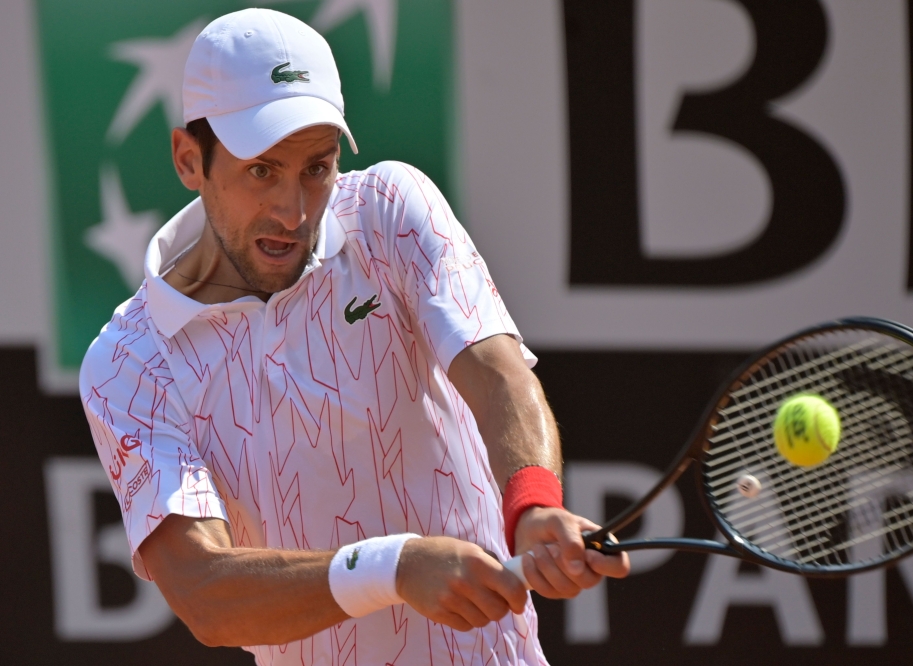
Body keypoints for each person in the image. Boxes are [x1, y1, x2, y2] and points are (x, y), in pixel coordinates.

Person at [79, 8, 628, 666]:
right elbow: (204, 591)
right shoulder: (129, 364)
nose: (295, 210)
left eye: (317, 167)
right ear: (189, 159)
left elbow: (496, 370)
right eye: (262, 171)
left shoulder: (389, 211)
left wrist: (534, 505)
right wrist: (392, 568)